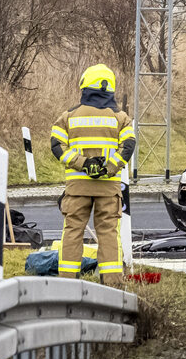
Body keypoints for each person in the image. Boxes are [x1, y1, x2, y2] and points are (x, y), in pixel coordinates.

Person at [50, 64, 136, 284]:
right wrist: (107, 168)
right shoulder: (120, 117)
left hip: (77, 187)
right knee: (108, 232)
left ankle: (67, 281)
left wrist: (83, 164)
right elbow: (128, 146)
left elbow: (57, 145)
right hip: (108, 188)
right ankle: (113, 282)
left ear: (84, 85)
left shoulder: (68, 116)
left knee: (73, 231)